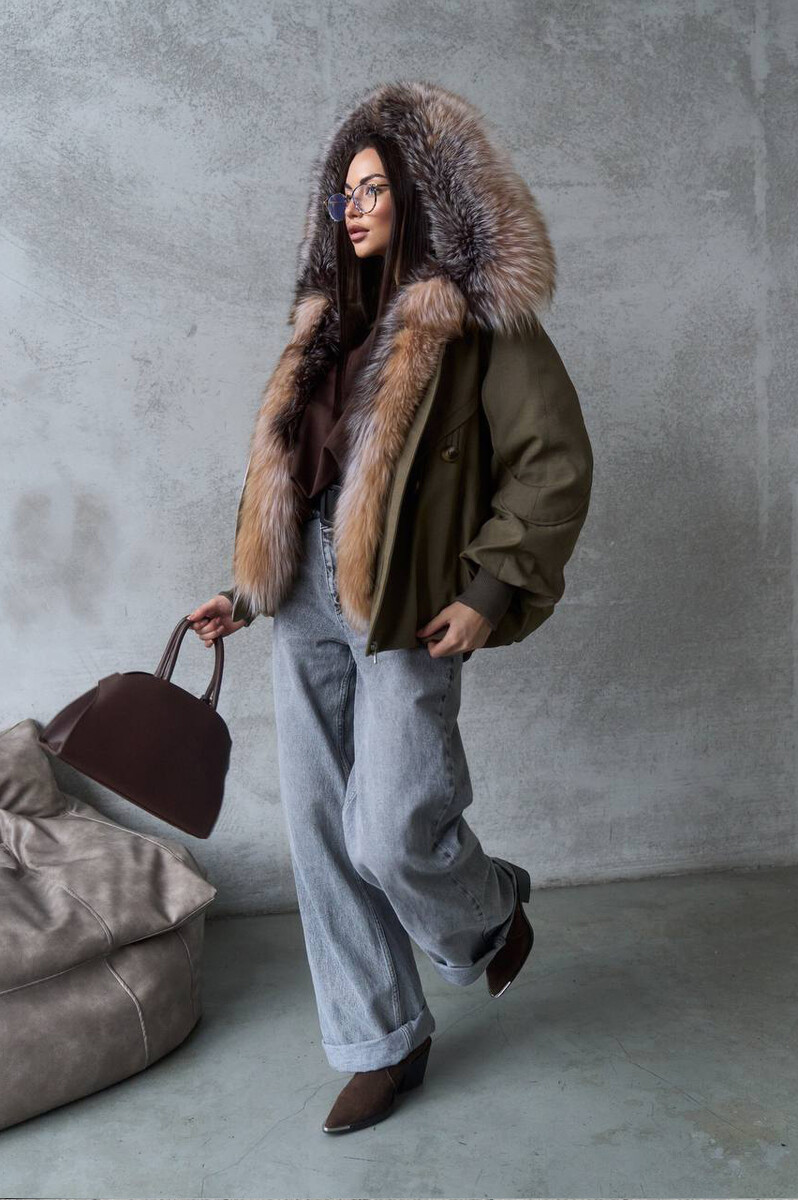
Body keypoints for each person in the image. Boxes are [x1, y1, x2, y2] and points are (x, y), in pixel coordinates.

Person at [187, 80, 593, 1135]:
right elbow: (289, 475)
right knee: (322, 831)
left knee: (391, 828)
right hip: (303, 600)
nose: (354, 208)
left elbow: (552, 461)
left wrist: (489, 588)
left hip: (408, 600)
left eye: (374, 189)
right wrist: (245, 591)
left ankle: (489, 912)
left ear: (419, 195)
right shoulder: (323, 327)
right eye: (346, 192)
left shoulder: (474, 322)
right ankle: (382, 1038)